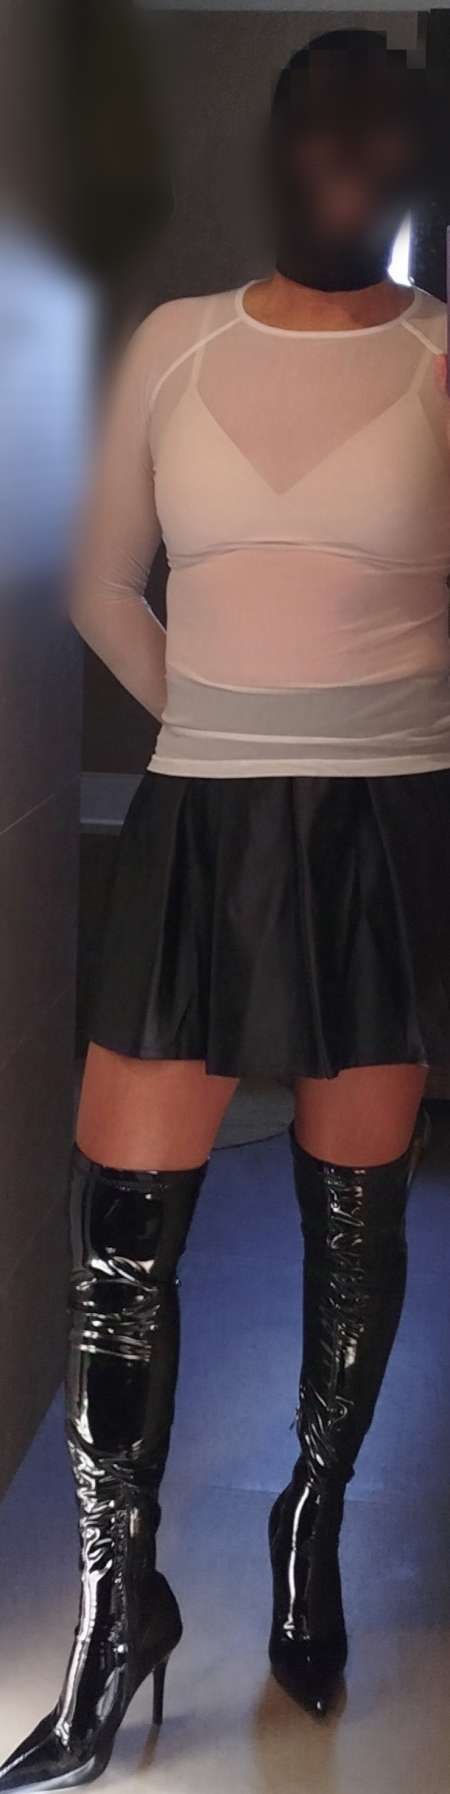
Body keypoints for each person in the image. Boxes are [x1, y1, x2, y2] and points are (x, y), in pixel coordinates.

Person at [2, 25, 450, 1789]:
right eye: (317, 128)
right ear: (275, 149)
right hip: (199, 818)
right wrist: (216, 721)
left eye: (380, 132)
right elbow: (101, 580)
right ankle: (120, 1608)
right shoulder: (176, 343)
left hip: (382, 835)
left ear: (411, 160)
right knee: (121, 1237)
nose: (345, 155)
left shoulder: (440, 357)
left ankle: (306, 1523)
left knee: (354, 1223)